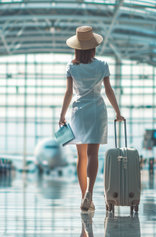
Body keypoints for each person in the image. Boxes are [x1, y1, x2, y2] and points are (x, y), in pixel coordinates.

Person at [59, 26, 124, 212]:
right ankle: (90, 192)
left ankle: (83, 197)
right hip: (97, 110)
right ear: (93, 47)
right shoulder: (102, 65)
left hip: (78, 112)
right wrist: (118, 112)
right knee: (93, 155)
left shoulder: (71, 66)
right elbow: (109, 91)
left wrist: (62, 115)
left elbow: (69, 93)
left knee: (81, 157)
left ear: (77, 48)